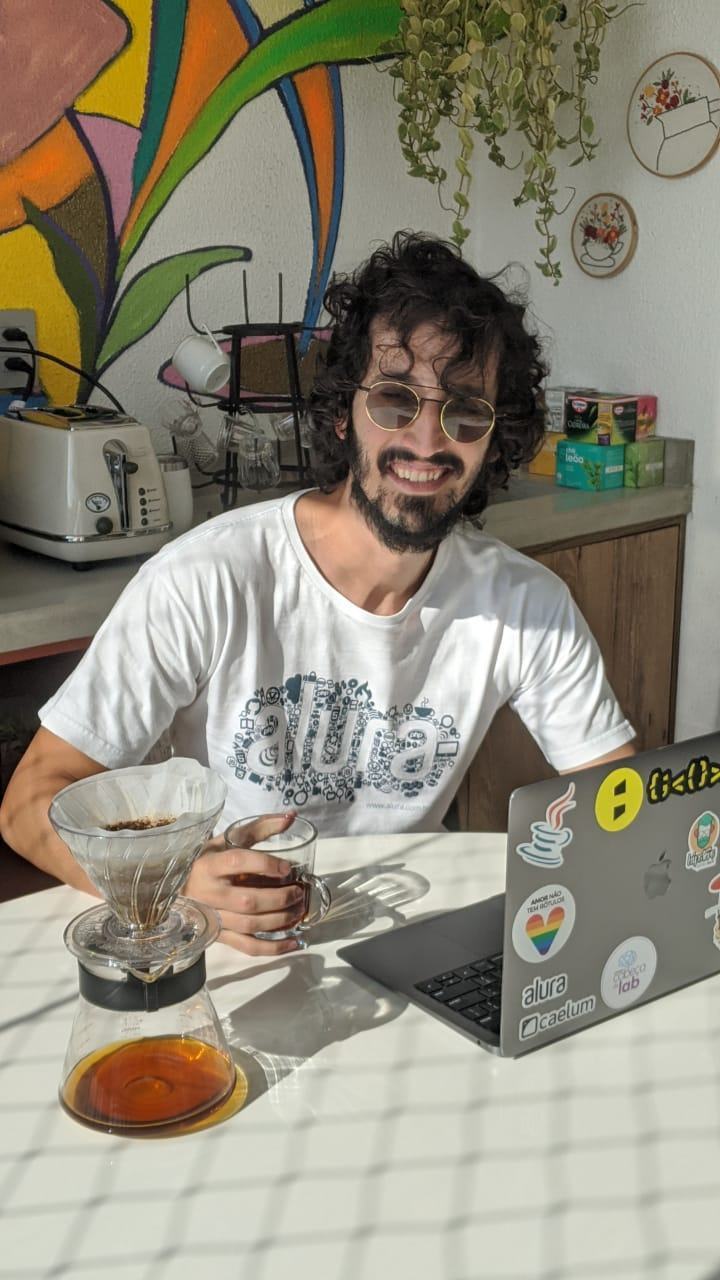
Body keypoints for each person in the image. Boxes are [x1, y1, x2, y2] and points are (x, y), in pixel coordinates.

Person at [0, 231, 635, 954]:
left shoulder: (526, 605)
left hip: (412, 945)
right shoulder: (209, 578)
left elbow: (617, 806)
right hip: (237, 945)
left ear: (495, 440)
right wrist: (168, 882)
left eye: (465, 412)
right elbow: (29, 803)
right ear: (343, 413)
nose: (427, 440)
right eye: (396, 400)